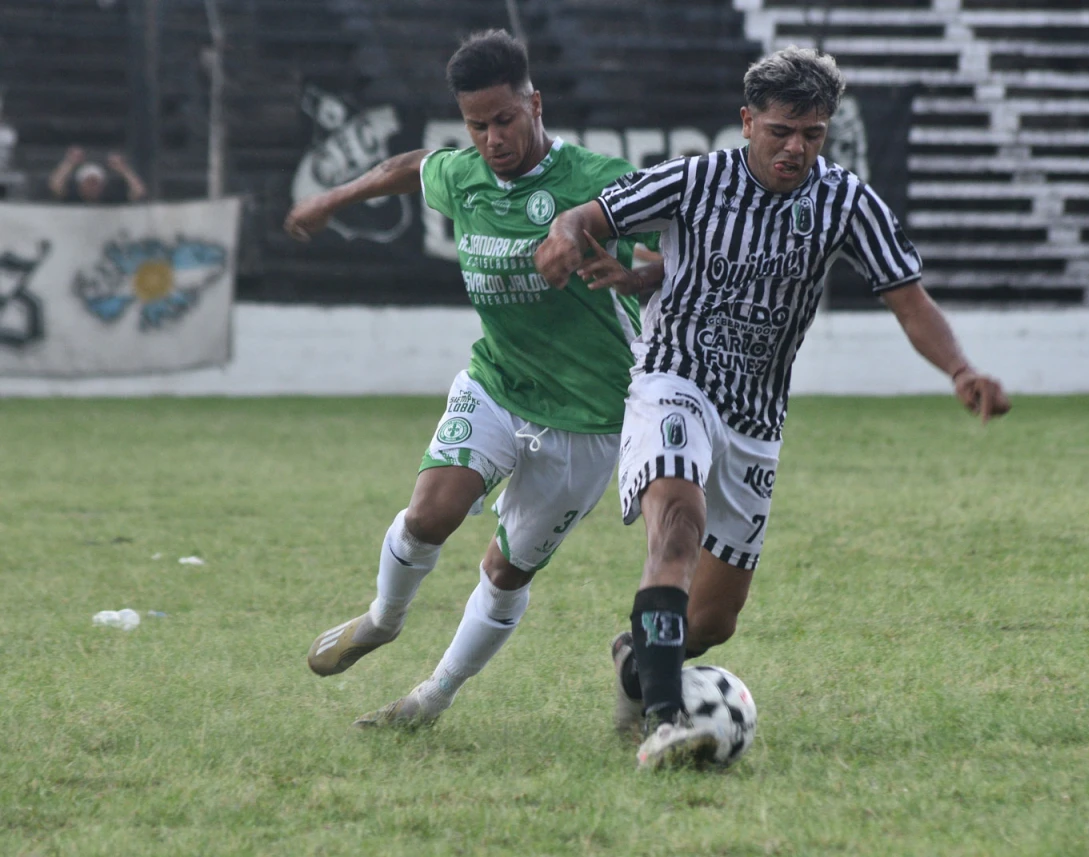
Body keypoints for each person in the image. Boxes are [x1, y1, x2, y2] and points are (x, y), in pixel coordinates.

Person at [534, 46, 1011, 769]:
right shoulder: (696, 179)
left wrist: (961, 368)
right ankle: (665, 720)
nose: (796, 149)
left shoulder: (847, 201)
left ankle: (641, 664)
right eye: (781, 131)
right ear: (748, 119)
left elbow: (909, 300)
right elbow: (585, 216)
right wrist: (564, 242)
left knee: (715, 619)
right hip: (675, 379)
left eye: (813, 135)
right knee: (677, 531)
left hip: (756, 418)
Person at [284, 29, 662, 729]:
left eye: (505, 120)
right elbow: (408, 166)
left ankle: (431, 697)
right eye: (477, 125)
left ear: (536, 104)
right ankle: (381, 619)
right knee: (430, 511)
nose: (492, 138)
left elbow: (665, 250)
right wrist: (333, 200)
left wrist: (632, 273)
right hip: (496, 381)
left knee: (506, 570)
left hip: (586, 415)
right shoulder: (464, 176)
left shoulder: (597, 179)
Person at [47, 147, 147, 203]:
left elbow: (138, 192)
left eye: (96, 183)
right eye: (88, 183)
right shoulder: (72, 198)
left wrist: (123, 169)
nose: (92, 187)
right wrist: (69, 162)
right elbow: (55, 186)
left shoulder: (111, 199)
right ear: (80, 184)